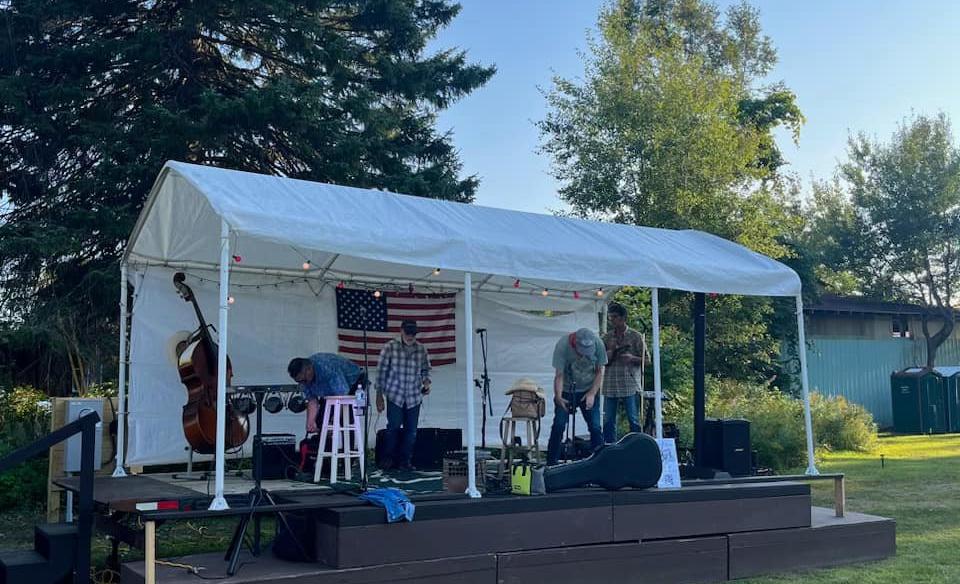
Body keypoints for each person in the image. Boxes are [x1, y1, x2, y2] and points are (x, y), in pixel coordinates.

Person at [376, 319, 432, 471]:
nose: (410, 336)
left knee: (411, 431)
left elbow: (426, 370)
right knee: (393, 427)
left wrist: (426, 383)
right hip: (395, 394)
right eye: (408, 333)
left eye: (413, 333)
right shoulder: (390, 347)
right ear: (401, 331)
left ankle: (405, 461)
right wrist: (379, 396)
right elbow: (381, 373)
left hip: (414, 396)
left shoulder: (421, 349)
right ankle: (388, 459)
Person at [546, 327, 607, 466]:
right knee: (559, 425)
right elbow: (559, 375)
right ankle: (551, 463)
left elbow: (599, 372)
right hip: (567, 389)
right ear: (575, 342)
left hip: (589, 388)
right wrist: (558, 396)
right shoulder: (563, 345)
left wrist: (592, 393)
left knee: (595, 426)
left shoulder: (598, 344)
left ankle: (601, 463)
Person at [601, 302, 649, 443]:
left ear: (623, 318)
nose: (612, 320)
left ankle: (636, 448)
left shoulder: (636, 336)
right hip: (610, 383)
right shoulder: (607, 337)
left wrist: (632, 358)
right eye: (610, 317)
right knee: (608, 420)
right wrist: (611, 350)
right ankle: (610, 449)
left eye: (615, 317)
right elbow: (602, 361)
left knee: (633, 419)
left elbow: (647, 361)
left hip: (629, 383)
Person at [287, 353, 364, 434]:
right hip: (331, 392)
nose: (303, 383)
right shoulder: (305, 380)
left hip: (354, 383)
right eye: (299, 381)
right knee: (321, 421)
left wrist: (334, 420)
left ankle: (348, 446)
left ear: (309, 369)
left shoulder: (327, 367)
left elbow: (342, 395)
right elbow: (312, 400)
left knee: (345, 419)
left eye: (304, 380)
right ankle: (326, 445)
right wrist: (311, 422)